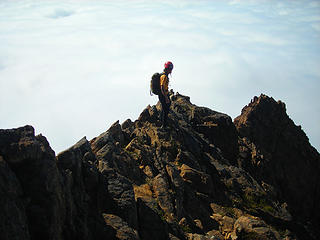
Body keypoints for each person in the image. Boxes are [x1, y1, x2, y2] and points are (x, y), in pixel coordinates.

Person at [159, 61, 173, 128]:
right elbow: (162, 87)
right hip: (163, 95)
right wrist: (166, 97)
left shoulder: (165, 75)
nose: (171, 71)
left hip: (164, 94)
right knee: (165, 109)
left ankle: (161, 121)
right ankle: (163, 126)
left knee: (165, 108)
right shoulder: (164, 76)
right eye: (170, 69)